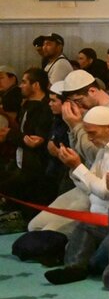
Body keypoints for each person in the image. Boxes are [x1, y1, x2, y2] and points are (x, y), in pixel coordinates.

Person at [44, 108, 109, 284]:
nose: (89, 138)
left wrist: (77, 167)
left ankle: (78, 264)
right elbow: (88, 183)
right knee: (82, 226)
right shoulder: (105, 148)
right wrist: (77, 169)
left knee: (95, 256)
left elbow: (106, 191)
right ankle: (74, 266)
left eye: (92, 133)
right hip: (98, 214)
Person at [0, 68, 54, 214]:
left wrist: (11, 134)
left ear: (35, 85)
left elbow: (34, 140)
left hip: (34, 168)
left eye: (24, 82)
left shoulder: (45, 109)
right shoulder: (27, 105)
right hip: (20, 161)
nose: (20, 86)